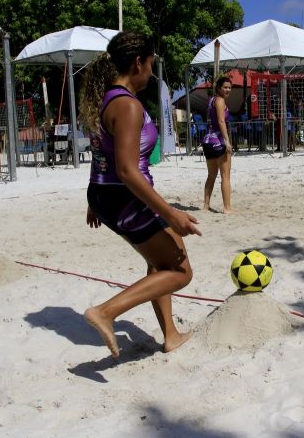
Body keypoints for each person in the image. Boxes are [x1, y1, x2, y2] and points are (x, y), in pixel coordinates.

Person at [78, 31, 200, 358]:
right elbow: (128, 171)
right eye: (150, 64)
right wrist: (172, 213)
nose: (151, 71)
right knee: (179, 270)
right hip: (125, 197)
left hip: (107, 195)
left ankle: (170, 335)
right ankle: (105, 312)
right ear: (137, 63)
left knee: (157, 260)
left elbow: (102, 152)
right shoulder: (127, 106)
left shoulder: (108, 98)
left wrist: (95, 201)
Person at [202, 76, 235, 213]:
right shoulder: (220, 100)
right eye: (225, 87)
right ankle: (227, 208)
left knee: (211, 175)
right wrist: (227, 141)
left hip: (208, 141)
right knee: (225, 176)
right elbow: (221, 122)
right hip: (218, 141)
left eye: (229, 87)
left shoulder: (212, 100)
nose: (227, 89)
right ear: (219, 88)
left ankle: (206, 205)